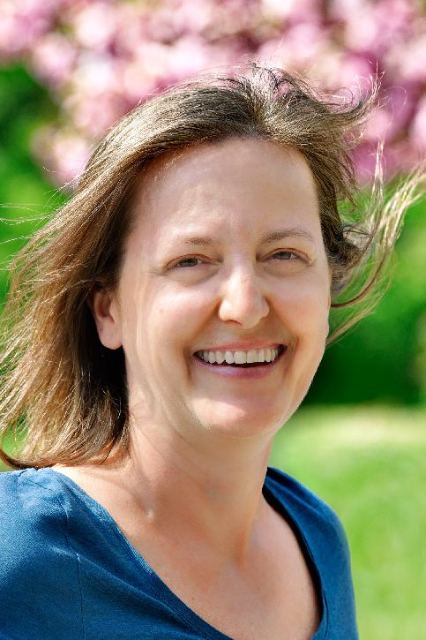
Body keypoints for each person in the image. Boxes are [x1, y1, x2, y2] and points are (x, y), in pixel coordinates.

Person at [0, 66, 422, 640]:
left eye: (284, 255)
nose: (244, 305)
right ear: (108, 310)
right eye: (191, 261)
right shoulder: (20, 554)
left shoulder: (317, 540)